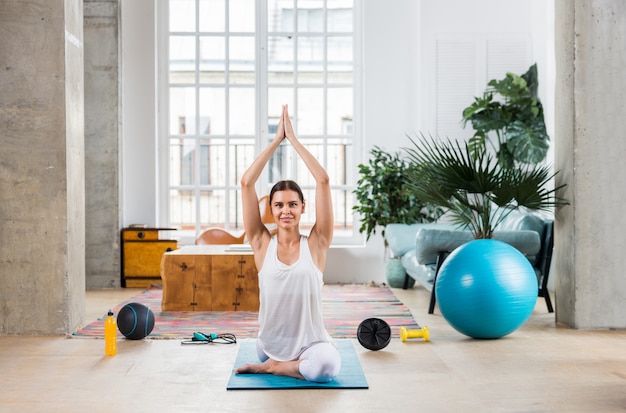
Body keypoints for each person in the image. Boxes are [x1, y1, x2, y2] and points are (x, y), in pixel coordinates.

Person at [235, 105, 341, 382]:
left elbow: (323, 180)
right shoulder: (261, 244)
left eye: (293, 204)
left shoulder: (317, 243)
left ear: (303, 207)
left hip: (310, 342)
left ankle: (273, 367)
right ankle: (277, 361)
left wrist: (293, 140)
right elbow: (246, 183)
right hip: (271, 343)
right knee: (309, 366)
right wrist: (275, 142)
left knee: (327, 367)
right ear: (270, 208)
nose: (286, 211)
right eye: (279, 205)